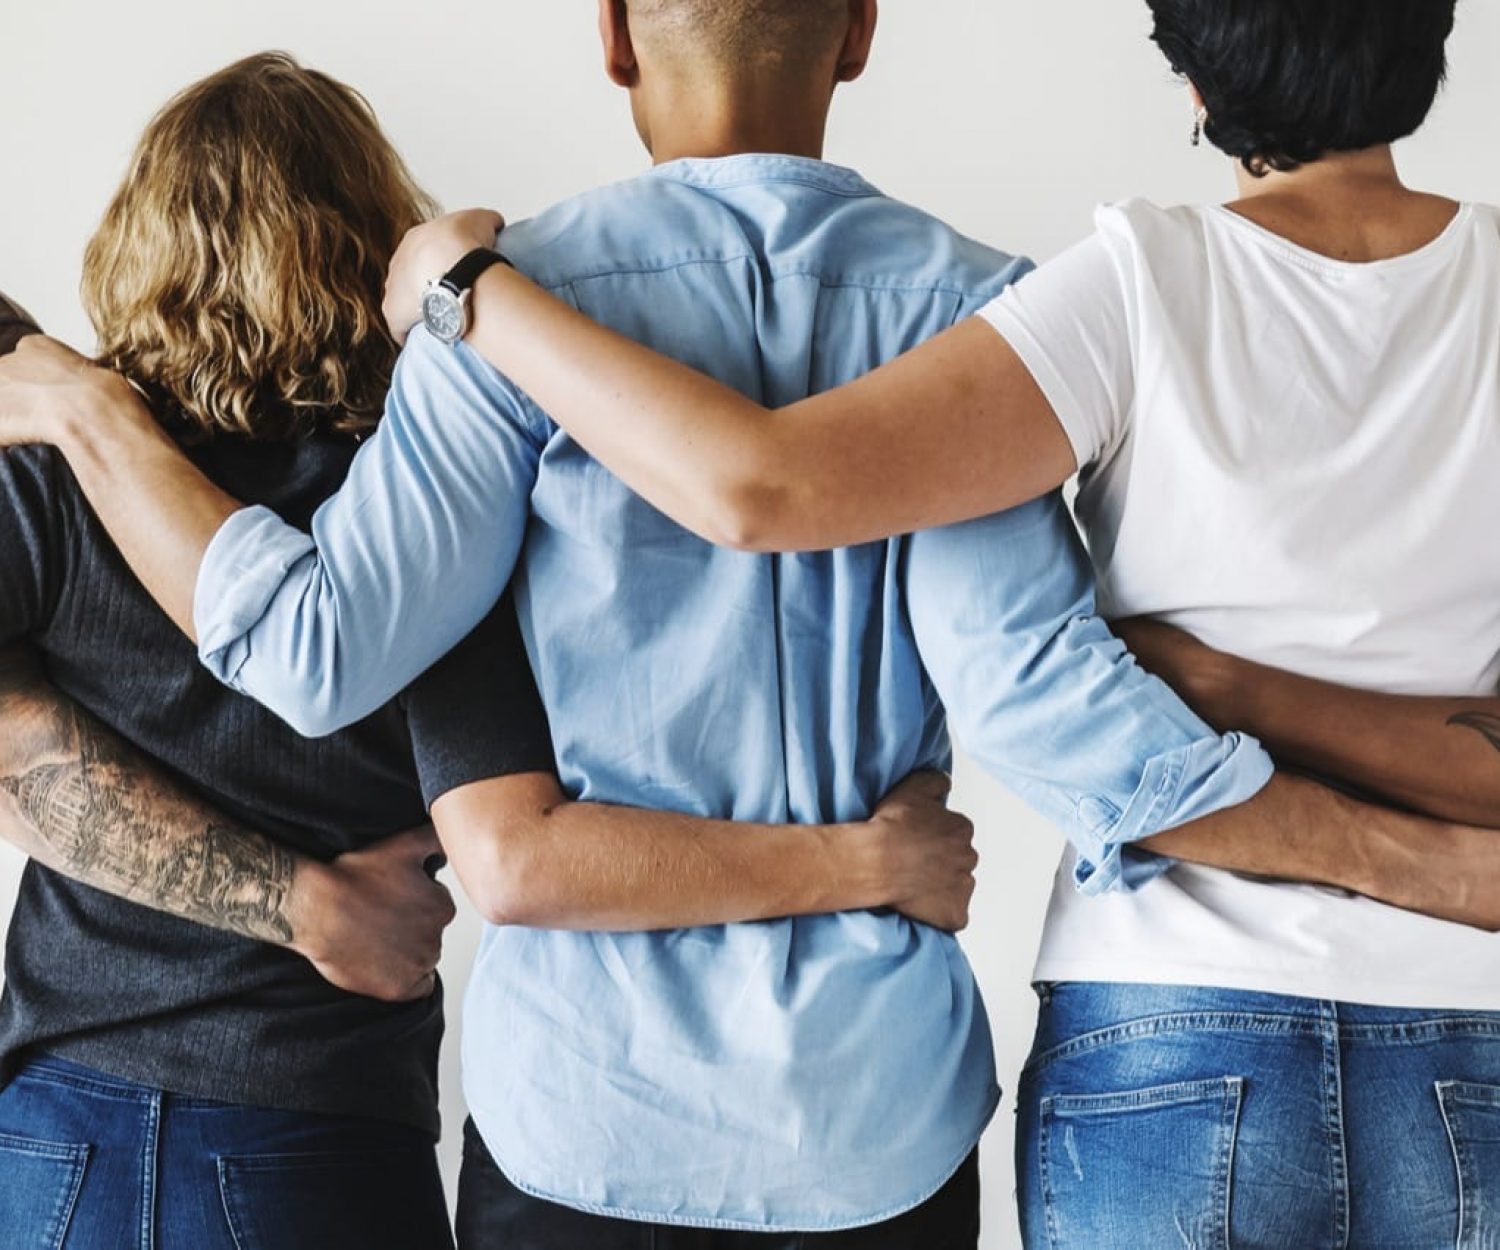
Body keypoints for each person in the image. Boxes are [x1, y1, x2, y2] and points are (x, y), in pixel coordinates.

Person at [3, 2, 1498, 1247]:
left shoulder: (493, 322)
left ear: (611, 37)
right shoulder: (975, 311)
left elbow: (317, 655)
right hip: (874, 1121)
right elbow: (1027, 693)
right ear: (859, 35)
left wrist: (87, 409)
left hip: (585, 1116)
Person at [0, 52, 975, 1250]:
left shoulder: (58, 472)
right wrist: (303, 904)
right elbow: (519, 846)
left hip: (54, 1119)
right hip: (316, 1117)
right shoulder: (421, 502)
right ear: (373, 240)